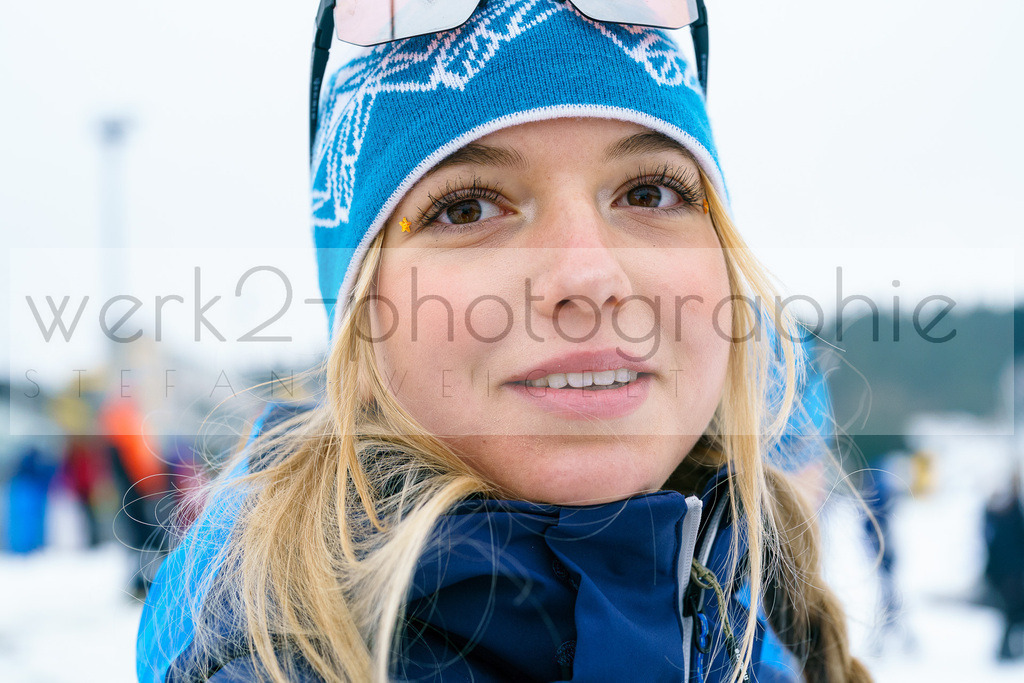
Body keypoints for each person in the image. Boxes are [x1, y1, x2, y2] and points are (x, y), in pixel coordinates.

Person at [137, 2, 871, 681]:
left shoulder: (742, 634)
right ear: (359, 327)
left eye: (650, 193)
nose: (589, 276)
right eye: (466, 208)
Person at [983, 468, 1024, 661]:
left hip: (1009, 571)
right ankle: (1005, 651)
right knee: (1012, 613)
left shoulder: (1007, 510)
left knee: (1013, 613)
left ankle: (1007, 650)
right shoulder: (1003, 512)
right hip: (1008, 573)